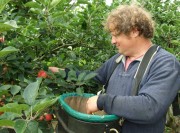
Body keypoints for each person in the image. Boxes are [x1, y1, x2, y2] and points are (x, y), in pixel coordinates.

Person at [49, 4, 180, 133]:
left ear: (135, 31)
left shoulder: (164, 63)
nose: (112, 41)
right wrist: (63, 73)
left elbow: (151, 107)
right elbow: (94, 77)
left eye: (116, 35)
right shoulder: (118, 60)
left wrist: (103, 101)